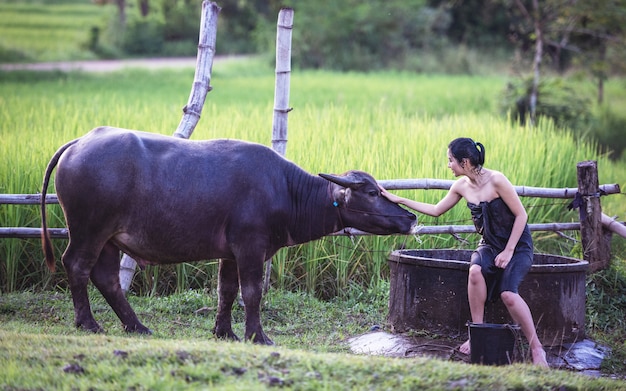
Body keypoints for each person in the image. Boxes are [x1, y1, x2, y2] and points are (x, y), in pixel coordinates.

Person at [380, 137, 549, 367]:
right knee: (475, 271)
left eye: (451, 160)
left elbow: (522, 216)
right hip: (489, 245)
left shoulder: (497, 180)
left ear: (465, 162)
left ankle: (536, 348)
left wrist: (509, 252)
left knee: (508, 294)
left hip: (517, 245)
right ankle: (476, 335)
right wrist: (397, 198)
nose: (449, 165)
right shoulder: (460, 186)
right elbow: (436, 210)